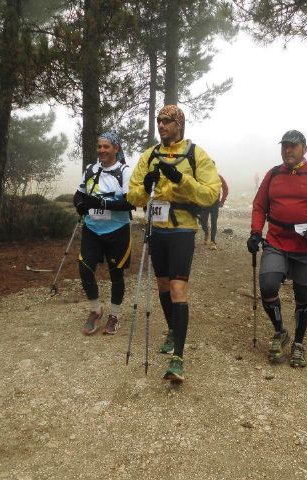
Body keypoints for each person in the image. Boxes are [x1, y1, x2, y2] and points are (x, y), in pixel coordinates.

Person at [127, 105, 220, 383]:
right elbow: (133, 196)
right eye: (159, 121)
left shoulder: (196, 155)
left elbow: (210, 194)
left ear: (179, 124)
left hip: (182, 229)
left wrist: (182, 179)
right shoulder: (149, 156)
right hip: (157, 229)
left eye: (167, 121)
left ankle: (178, 358)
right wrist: (146, 185)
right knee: (164, 286)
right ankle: (172, 330)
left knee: (179, 289)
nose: (161, 125)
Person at [247, 130, 307, 367]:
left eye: (293, 146)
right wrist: (255, 232)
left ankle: (298, 343)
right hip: (276, 242)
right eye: (284, 146)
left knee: (303, 297)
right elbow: (259, 206)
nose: (287, 150)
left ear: (304, 149)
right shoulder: (273, 174)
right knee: (268, 285)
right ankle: (281, 332)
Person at [73, 132, 134, 336]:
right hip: (92, 229)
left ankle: (114, 315)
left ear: (116, 149)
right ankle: (96, 309)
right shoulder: (91, 169)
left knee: (116, 274)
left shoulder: (124, 171)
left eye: (106, 147)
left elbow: (129, 203)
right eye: (99, 147)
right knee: (84, 269)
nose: (101, 150)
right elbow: (79, 192)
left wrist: (102, 203)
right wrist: (80, 204)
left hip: (117, 231)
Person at [199, 174, 229, 250]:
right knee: (202, 221)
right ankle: (206, 233)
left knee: (213, 222)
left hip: (215, 203)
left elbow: (225, 189)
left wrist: (222, 201)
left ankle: (213, 241)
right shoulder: (202, 176)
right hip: (204, 203)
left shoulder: (218, 176)